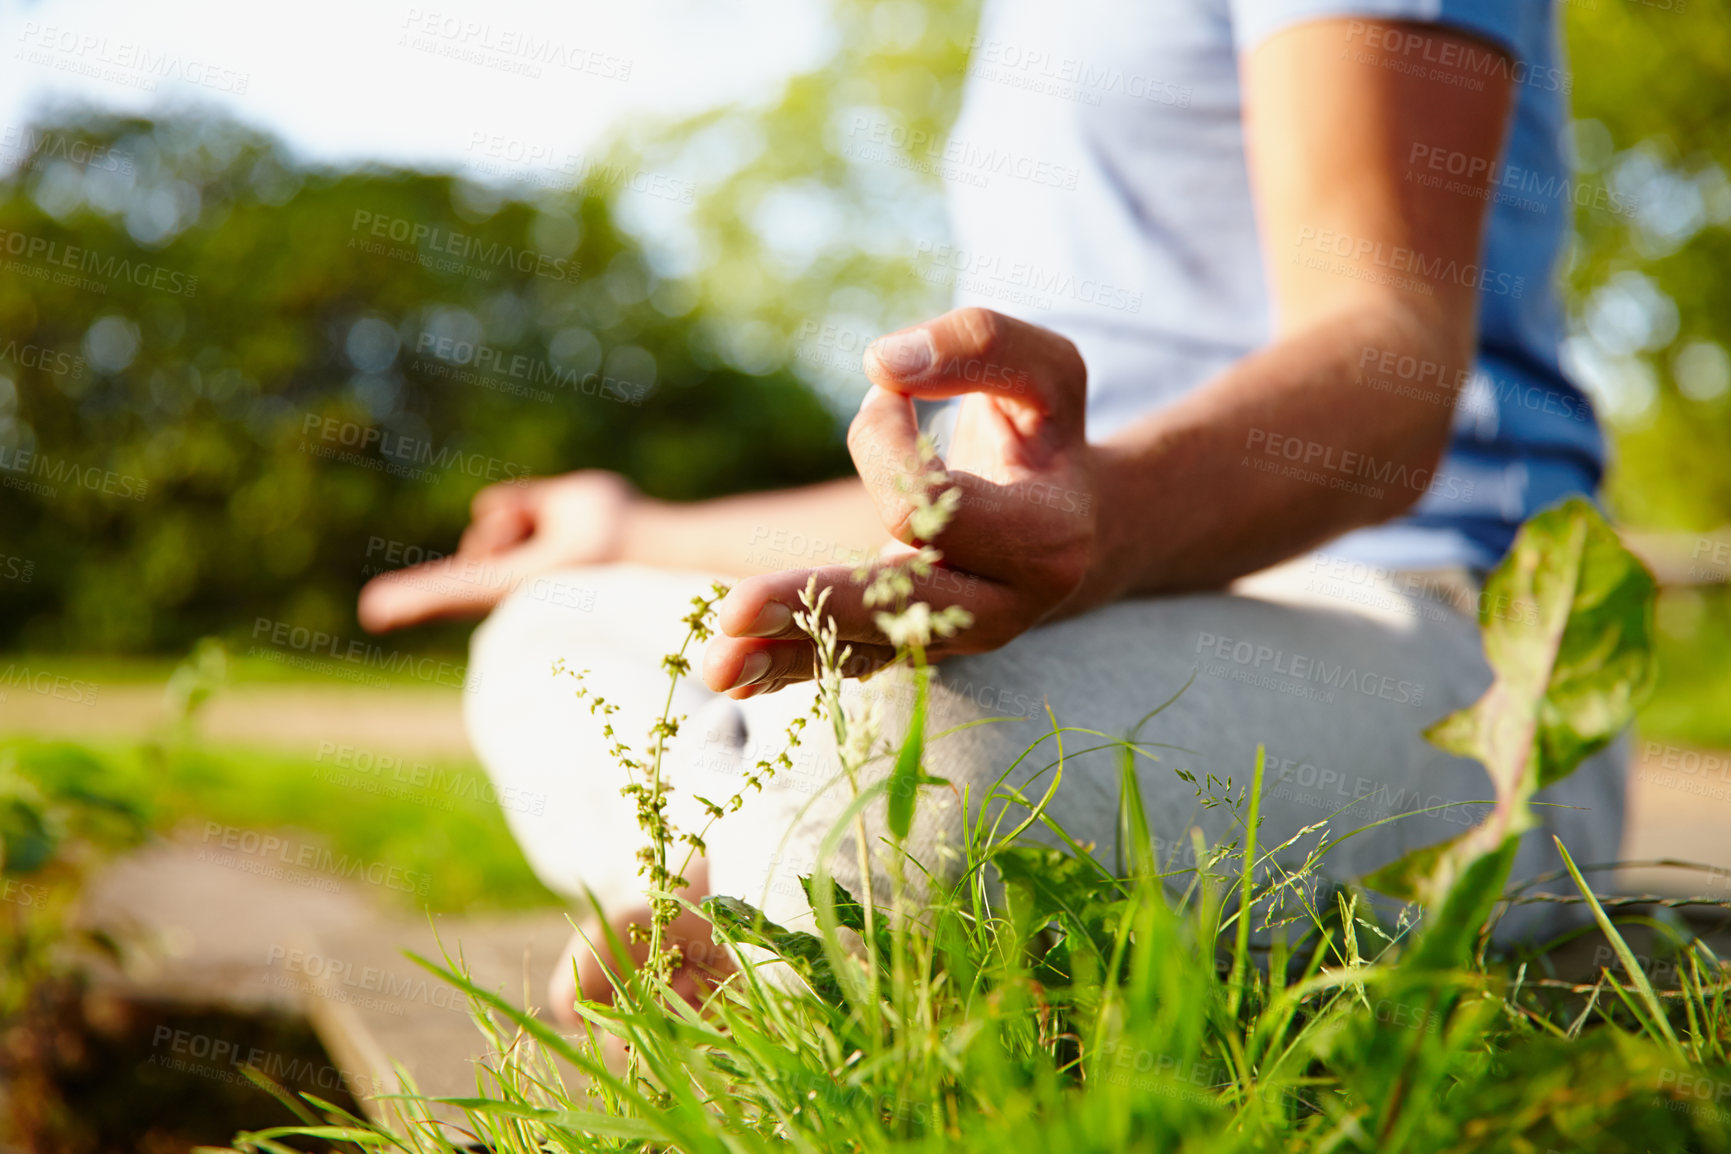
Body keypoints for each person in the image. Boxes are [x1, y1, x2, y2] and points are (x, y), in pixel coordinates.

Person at [359, 1, 1623, 1021]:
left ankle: (754, 879)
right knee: (552, 629)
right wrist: (626, 532)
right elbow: (970, 521)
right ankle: (766, 884)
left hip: (1439, 632)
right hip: (1107, 602)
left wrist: (1103, 521)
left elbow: (1387, 360)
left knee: (923, 777)